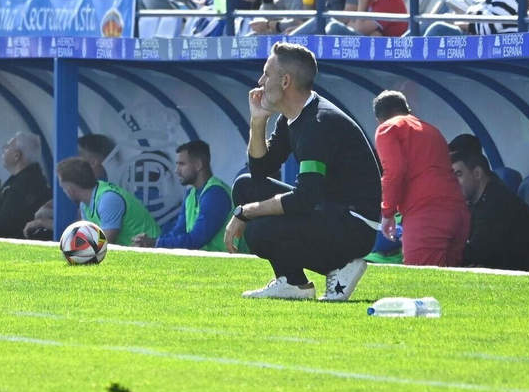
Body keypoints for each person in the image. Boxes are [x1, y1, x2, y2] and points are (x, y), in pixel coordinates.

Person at [224, 42, 382, 301]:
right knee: (246, 187)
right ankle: (293, 282)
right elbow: (261, 169)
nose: (260, 81)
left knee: (257, 231)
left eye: (266, 74)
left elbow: (303, 198)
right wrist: (258, 120)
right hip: (329, 211)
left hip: (355, 225)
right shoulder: (292, 117)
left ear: (285, 81)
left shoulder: (318, 123)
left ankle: (339, 267)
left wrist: (245, 212)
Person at [372, 90, 470, 266]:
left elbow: (394, 171)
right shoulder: (431, 130)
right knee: (452, 285)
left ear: (379, 118)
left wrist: (387, 212)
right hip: (458, 213)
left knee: (425, 282)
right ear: (407, 110)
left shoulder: (387, 128)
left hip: (427, 215)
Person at [450, 143, 529, 271]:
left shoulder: (497, 203)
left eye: (459, 174)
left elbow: (477, 252)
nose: (453, 182)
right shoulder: (482, 200)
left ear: (478, 173)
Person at [133, 139, 233, 250]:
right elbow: (178, 232)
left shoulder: (215, 194)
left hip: (226, 262)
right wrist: (152, 242)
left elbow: (196, 239)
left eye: (181, 164)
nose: (176, 170)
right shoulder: (190, 194)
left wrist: (155, 243)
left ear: (198, 165)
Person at [57, 156, 159, 244]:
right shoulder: (85, 204)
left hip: (151, 253)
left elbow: (104, 244)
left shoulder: (108, 199)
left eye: (63, 188)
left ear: (70, 190)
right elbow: (88, 239)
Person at [0, 132, 51, 238]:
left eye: (6, 148)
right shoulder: (19, 179)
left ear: (17, 155)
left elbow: (4, 225)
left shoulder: (26, 185)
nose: (3, 152)